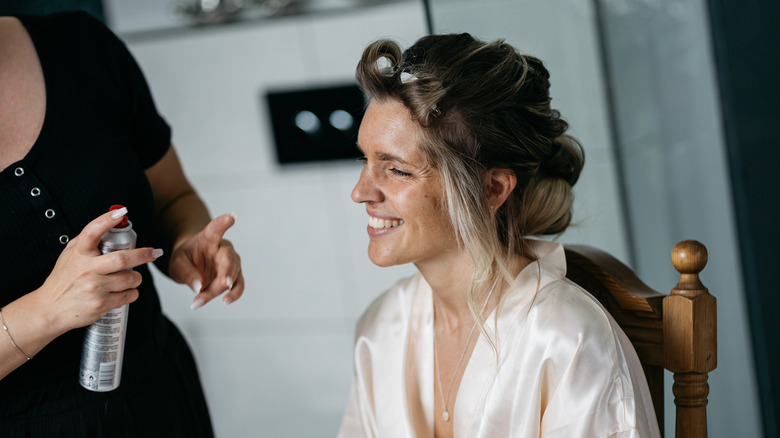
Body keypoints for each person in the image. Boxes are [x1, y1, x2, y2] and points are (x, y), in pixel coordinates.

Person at [338, 33, 661, 438]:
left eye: (397, 169)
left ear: (491, 189)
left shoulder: (567, 341)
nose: (360, 192)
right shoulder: (381, 328)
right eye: (364, 159)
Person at [0, 11, 244, 436]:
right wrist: (44, 311)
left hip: (162, 395)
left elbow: (174, 197)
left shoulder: (80, 45)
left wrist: (187, 241)